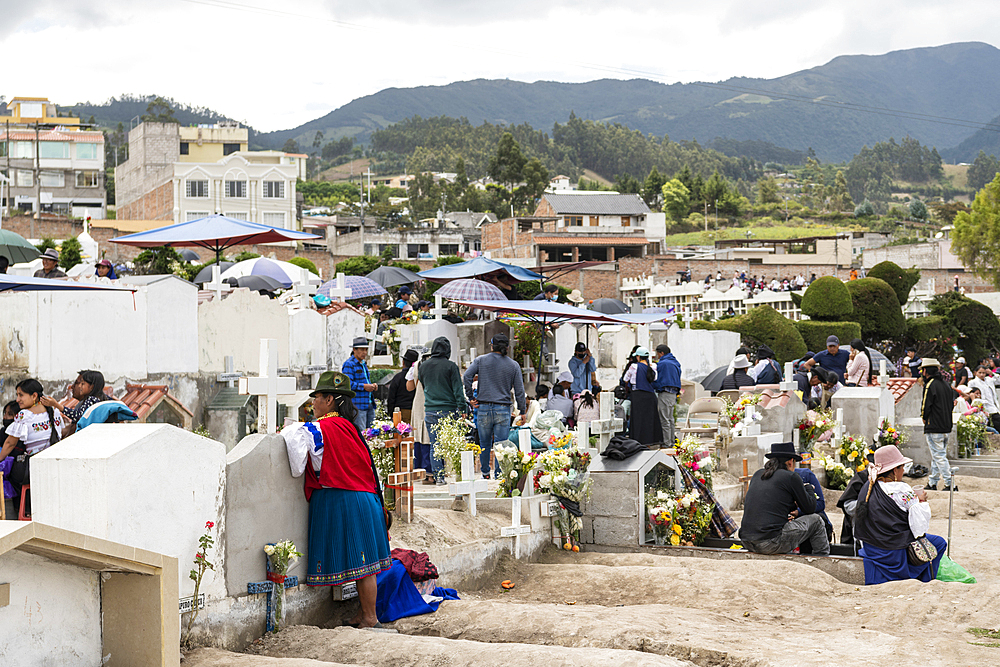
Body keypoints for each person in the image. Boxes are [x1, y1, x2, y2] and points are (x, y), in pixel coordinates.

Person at [281, 371, 392, 628]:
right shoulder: (350, 427)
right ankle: (365, 615)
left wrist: (290, 430)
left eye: (317, 398)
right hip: (367, 500)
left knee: (361, 563)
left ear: (329, 399)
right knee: (365, 563)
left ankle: (369, 618)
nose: (313, 404)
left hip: (344, 501)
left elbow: (297, 466)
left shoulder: (315, 430)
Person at [853, 445, 946, 584]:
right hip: (893, 550)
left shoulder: (868, 486)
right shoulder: (901, 489)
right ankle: (925, 580)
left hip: (871, 547)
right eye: (902, 467)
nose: (903, 470)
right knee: (939, 543)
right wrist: (920, 501)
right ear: (895, 470)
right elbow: (919, 529)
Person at [740, 442, 830, 556]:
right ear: (790, 462)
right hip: (769, 543)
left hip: (746, 541)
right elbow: (810, 508)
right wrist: (808, 489)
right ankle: (822, 559)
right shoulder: (791, 477)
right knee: (816, 520)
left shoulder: (758, 474)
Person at [463, 334, 525, 480]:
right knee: (501, 444)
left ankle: (485, 473)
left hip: (483, 407)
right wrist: (522, 410)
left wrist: (471, 397)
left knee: (484, 443)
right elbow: (519, 390)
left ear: (491, 346)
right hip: (503, 408)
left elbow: (466, 376)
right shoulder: (513, 365)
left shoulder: (480, 361)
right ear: (507, 348)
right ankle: (499, 475)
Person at [1, 379, 67, 515]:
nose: (18, 399)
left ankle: (20, 512)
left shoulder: (24, 415)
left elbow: (9, 443)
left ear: (34, 396)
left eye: (21, 395)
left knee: (10, 477)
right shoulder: (54, 411)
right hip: (56, 464)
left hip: (34, 468)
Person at [417, 336, 466, 484]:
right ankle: (456, 475)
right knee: (453, 444)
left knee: (435, 445)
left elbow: (424, 386)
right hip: (449, 410)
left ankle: (439, 477)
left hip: (431, 410)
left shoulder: (423, 366)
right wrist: (463, 408)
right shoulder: (451, 366)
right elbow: (458, 390)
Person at [920, 359, 957, 492]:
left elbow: (925, 405)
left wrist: (924, 418)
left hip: (934, 425)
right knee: (937, 456)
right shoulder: (946, 385)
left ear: (926, 370)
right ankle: (933, 482)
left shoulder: (930, 384)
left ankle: (950, 484)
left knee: (939, 456)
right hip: (946, 426)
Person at [41, 369, 109, 438]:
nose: (79, 386)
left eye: (82, 384)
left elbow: (76, 415)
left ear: (91, 387)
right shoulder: (102, 399)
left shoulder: (90, 400)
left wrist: (57, 405)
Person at [623, 347, 661, 444]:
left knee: (638, 418)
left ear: (638, 357)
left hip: (637, 395)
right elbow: (655, 379)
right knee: (649, 418)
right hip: (650, 395)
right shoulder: (653, 367)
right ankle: (650, 441)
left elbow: (625, 378)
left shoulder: (633, 367)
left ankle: (637, 440)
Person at [342, 337, 377, 433]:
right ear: (354, 350)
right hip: (358, 405)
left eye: (366, 349)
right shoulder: (349, 364)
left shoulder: (363, 363)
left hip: (368, 403)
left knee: (372, 433)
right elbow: (347, 384)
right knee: (362, 433)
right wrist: (364, 387)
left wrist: (372, 385)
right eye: (362, 349)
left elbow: (365, 381)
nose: (364, 352)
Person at [653, 344, 681, 446]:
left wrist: (652, 385)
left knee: (664, 419)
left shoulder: (663, 363)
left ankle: (666, 443)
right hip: (673, 393)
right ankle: (672, 442)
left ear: (662, 353)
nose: (657, 356)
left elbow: (659, 380)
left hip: (665, 392)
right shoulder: (675, 363)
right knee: (670, 419)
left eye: (658, 354)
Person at [386, 349, 419, 424]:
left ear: (403, 362)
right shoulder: (418, 377)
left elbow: (391, 397)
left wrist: (390, 413)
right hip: (416, 411)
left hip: (401, 411)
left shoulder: (398, 377)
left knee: (403, 433)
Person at [968, 365, 1000, 431]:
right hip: (982, 409)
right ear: (975, 373)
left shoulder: (989, 380)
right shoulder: (972, 382)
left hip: (993, 407)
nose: (982, 375)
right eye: (980, 373)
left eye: (983, 373)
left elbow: (998, 381)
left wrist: (992, 373)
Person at [1, 401, 19, 518]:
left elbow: (10, 445)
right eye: (5, 414)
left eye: (9, 414)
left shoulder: (20, 431)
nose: (5, 417)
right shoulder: (2, 433)